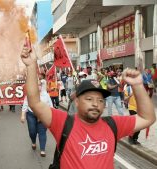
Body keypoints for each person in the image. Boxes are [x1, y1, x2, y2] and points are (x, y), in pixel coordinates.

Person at [20, 47, 155, 168]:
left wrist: (137, 85)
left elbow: (147, 118)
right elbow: (35, 103)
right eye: (89, 99)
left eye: (100, 100)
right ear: (77, 102)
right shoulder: (63, 123)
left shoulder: (113, 124)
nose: (96, 104)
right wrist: (31, 66)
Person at [21, 81, 53, 157]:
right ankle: (33, 141)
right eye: (36, 85)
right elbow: (25, 105)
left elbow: (50, 106)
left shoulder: (46, 95)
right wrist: (23, 115)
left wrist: (50, 116)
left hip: (42, 116)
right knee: (32, 131)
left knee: (42, 132)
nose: (38, 86)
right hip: (31, 115)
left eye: (40, 85)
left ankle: (42, 149)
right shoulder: (30, 94)